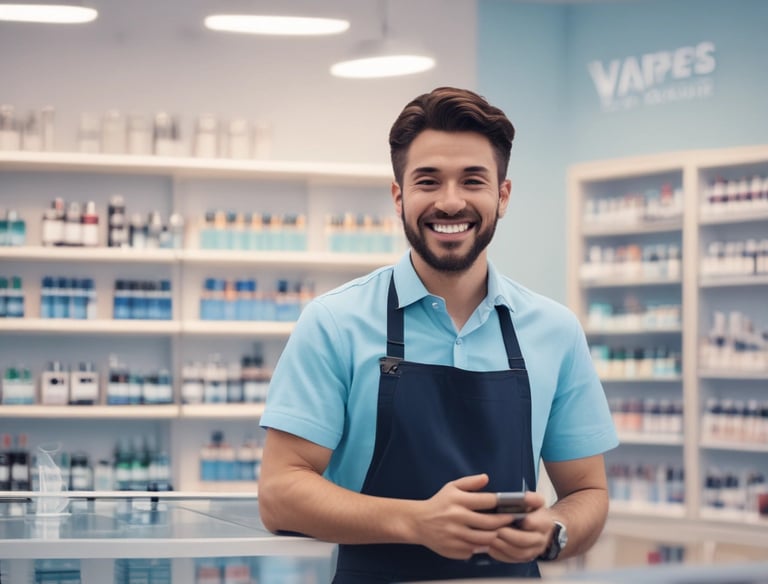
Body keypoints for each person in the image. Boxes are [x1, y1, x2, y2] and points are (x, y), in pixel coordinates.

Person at [258, 86, 619, 583]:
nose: (451, 203)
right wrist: (416, 521)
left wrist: (552, 531)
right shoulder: (335, 322)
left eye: (473, 180)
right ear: (399, 195)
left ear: (503, 195)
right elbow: (280, 493)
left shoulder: (555, 330)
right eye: (428, 181)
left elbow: (588, 493)